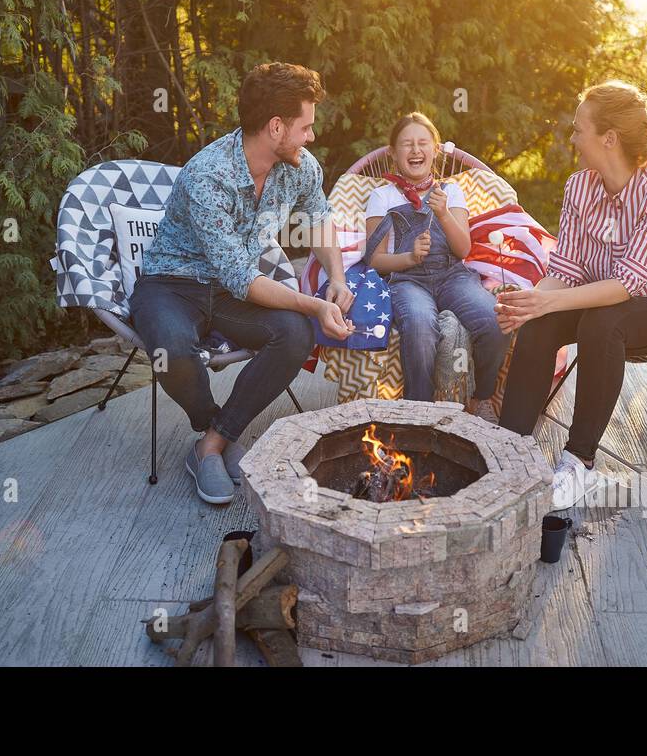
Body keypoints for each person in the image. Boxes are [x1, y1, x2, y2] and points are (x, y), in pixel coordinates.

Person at [130, 62, 355, 505]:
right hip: (172, 284)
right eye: (305, 127)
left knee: (294, 335)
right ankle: (219, 430)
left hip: (234, 291)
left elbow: (319, 220)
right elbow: (242, 278)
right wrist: (312, 304)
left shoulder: (300, 167)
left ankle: (210, 446)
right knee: (170, 352)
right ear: (276, 126)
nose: (311, 136)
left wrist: (336, 277)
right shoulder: (207, 176)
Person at [495, 81, 647, 509]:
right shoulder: (580, 187)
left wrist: (549, 300)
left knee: (602, 323)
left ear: (609, 138)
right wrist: (532, 302)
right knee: (542, 321)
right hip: (609, 297)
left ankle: (578, 462)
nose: (573, 137)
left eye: (580, 128)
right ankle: (509, 453)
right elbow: (566, 270)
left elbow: (627, 285)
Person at [364, 112, 509, 422]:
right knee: (418, 325)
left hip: (452, 275)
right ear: (393, 152)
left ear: (435, 150)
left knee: (494, 321)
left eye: (422, 143)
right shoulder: (382, 196)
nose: (415, 150)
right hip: (407, 280)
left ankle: (481, 397)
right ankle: (420, 411)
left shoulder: (450, 192)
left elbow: (463, 249)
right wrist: (408, 258)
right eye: (406, 144)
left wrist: (444, 214)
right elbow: (375, 260)